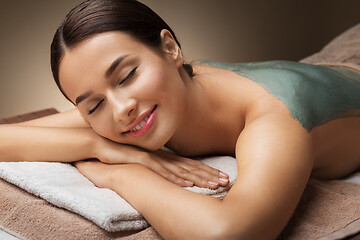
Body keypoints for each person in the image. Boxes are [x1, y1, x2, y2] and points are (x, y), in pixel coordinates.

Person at [1, 0, 360, 239]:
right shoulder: (131, 106)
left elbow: (228, 233)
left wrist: (118, 173)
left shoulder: (275, 117)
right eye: (92, 107)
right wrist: (94, 144)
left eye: (126, 76)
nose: (120, 108)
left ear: (170, 49)